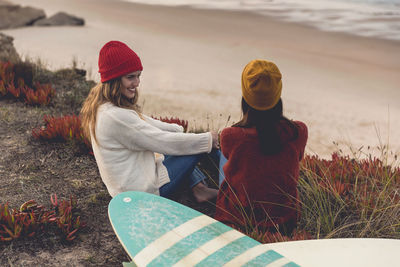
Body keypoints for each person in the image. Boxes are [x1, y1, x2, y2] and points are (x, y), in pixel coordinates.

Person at [80, 40, 219, 202]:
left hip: (130, 184)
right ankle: (238, 192)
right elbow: (161, 141)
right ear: (114, 80)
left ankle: (199, 189)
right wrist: (208, 139)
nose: (137, 83)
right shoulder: (115, 117)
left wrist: (178, 130)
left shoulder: (104, 107)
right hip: (142, 193)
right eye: (130, 77)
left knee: (187, 143)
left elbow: (148, 123)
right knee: (201, 146)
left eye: (138, 76)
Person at [214, 59, 308, 235]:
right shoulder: (298, 131)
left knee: (223, 158)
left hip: (238, 217)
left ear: (246, 94)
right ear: (278, 93)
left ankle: (207, 190)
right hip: (284, 219)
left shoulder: (231, 135)